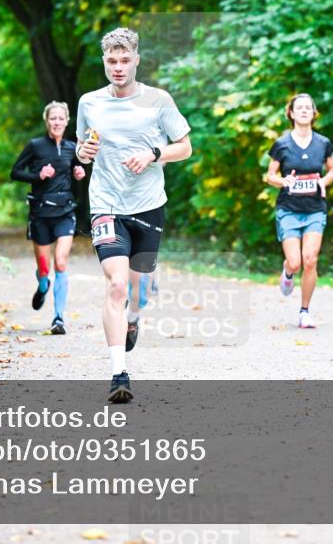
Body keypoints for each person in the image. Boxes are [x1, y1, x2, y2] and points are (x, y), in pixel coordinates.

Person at [75, 27, 192, 403]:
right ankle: (118, 373)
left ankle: (133, 318)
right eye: (112, 60)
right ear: (104, 62)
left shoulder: (158, 100)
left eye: (125, 60)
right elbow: (82, 145)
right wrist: (81, 153)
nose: (118, 67)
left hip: (148, 205)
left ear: (136, 60)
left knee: (139, 294)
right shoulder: (89, 102)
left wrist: (153, 154)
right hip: (106, 205)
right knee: (116, 286)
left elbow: (185, 147)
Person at [10, 102, 86, 335]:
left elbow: (77, 169)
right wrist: (38, 175)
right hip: (41, 214)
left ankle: (58, 319)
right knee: (44, 269)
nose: (57, 122)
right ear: (47, 121)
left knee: (60, 262)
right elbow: (15, 172)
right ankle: (43, 284)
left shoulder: (73, 148)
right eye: (53, 118)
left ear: (67, 121)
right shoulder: (35, 146)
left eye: (61, 118)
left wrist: (79, 172)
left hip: (65, 212)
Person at [264, 93, 333, 329]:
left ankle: (304, 312)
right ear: (292, 113)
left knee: (310, 259)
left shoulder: (323, 143)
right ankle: (288, 272)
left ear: (314, 113)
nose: (304, 111)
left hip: (315, 209)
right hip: (289, 209)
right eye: (300, 108)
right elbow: (270, 175)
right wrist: (283, 181)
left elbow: (332, 170)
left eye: (308, 107)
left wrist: (323, 181)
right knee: (295, 262)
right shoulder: (282, 144)